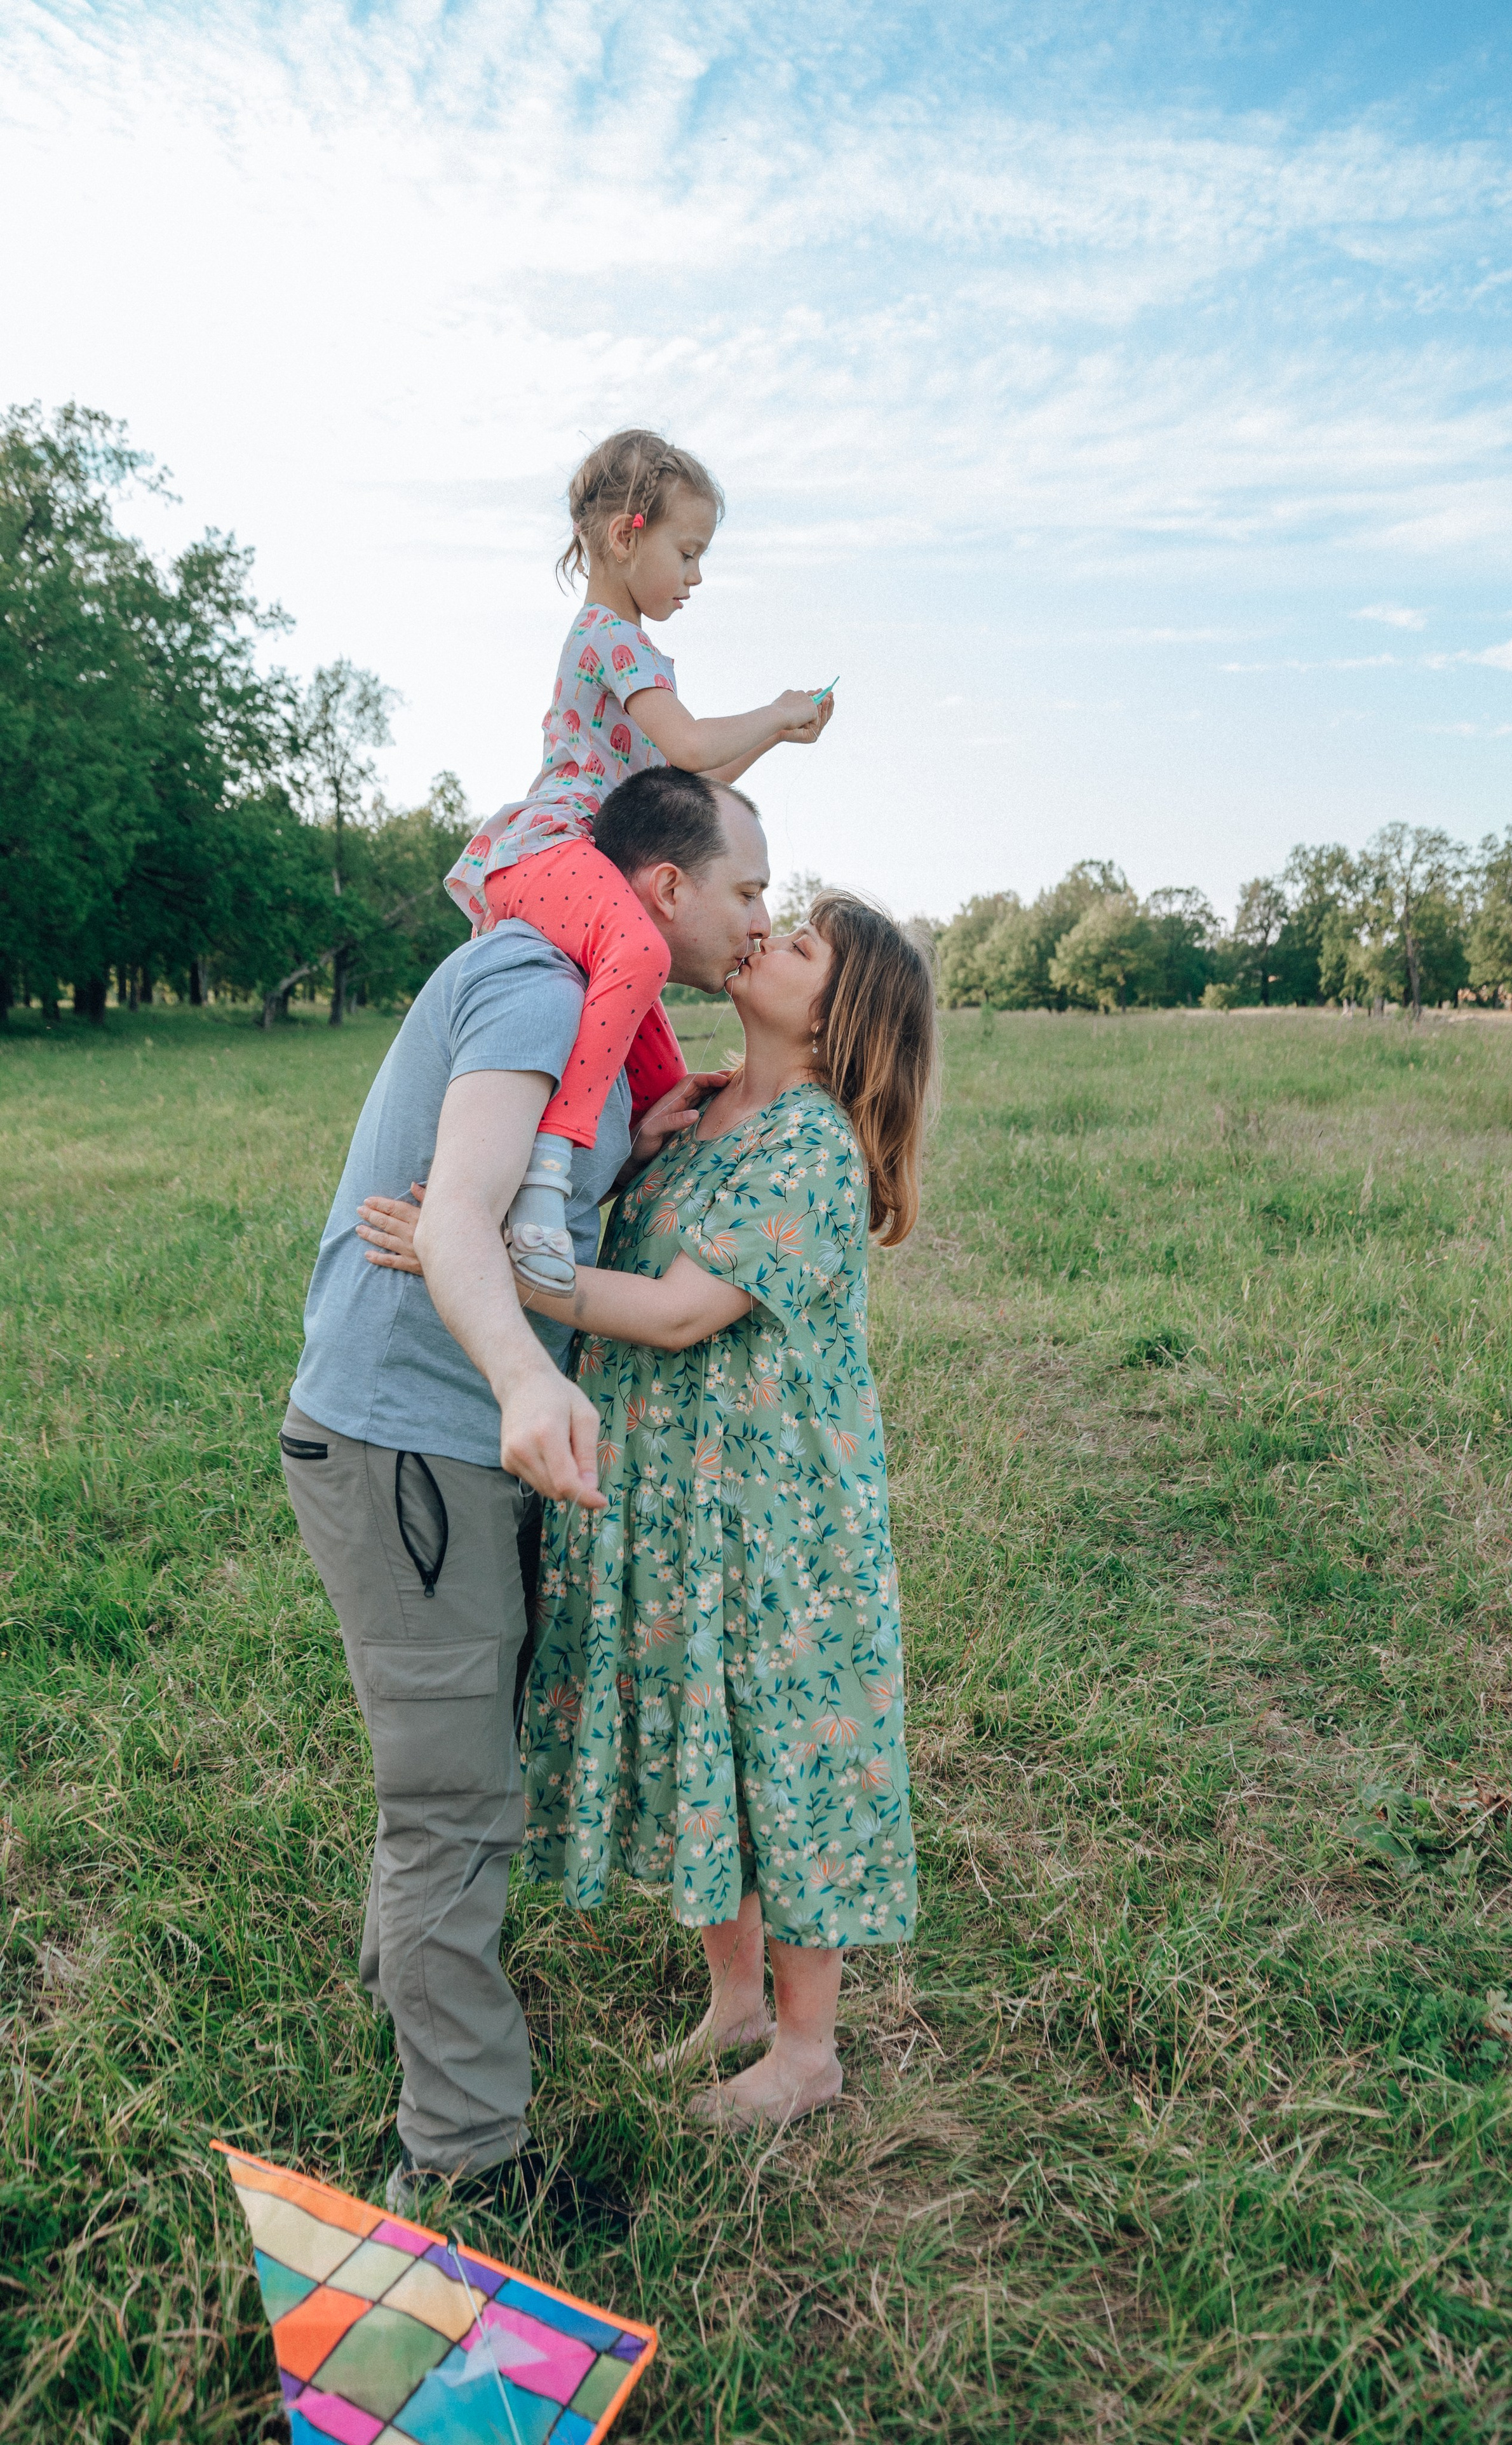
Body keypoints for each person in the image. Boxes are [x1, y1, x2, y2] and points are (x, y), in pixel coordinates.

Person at [358, 895, 938, 2132]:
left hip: (774, 1515)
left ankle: (808, 2051)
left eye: (804, 945)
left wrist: (473, 1257)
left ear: (841, 1015)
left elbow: (677, 1311)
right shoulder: (707, 1109)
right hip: (681, 1495)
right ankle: (736, 2006)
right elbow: (625, 1235)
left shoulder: (813, 1143)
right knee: (707, 1741)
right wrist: (632, 1149)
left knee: (782, 1754)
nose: (769, 936)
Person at [278, 766, 771, 2214]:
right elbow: (454, 1216)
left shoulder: (594, 1013)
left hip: (447, 1439)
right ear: (666, 886)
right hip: (410, 1440)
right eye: (746, 888)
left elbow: (510, 1201)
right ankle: (464, 2163)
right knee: (454, 1801)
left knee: (459, 1769)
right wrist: (522, 1380)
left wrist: (641, 1138)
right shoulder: (536, 984)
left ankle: (408, 1991)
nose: (759, 918)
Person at [441, 429, 835, 1292]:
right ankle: (545, 1175)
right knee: (644, 950)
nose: (695, 577)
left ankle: (642, 1220)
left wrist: (776, 739)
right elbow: (689, 746)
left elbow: (689, 781)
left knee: (664, 1082)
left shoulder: (629, 647)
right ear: (629, 534)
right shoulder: (610, 639)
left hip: (593, 860)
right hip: (551, 849)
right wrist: (775, 710)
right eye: (687, 553)